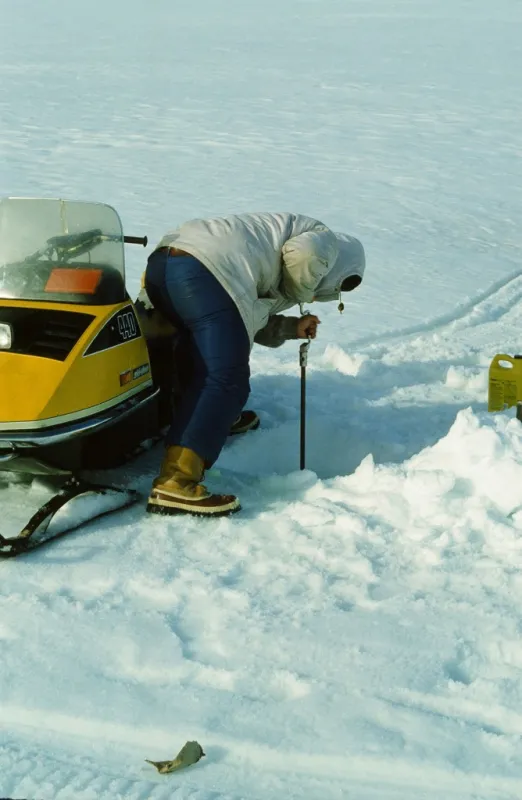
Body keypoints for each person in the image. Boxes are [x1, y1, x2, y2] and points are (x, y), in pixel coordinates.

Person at [141, 211, 366, 518]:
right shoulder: (323, 240)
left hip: (167, 264)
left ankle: (213, 418)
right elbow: (306, 254)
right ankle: (176, 481)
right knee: (225, 376)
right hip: (208, 269)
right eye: (341, 285)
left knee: (194, 348)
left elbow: (240, 313)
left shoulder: (266, 256)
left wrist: (291, 328)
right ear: (340, 265)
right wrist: (305, 292)